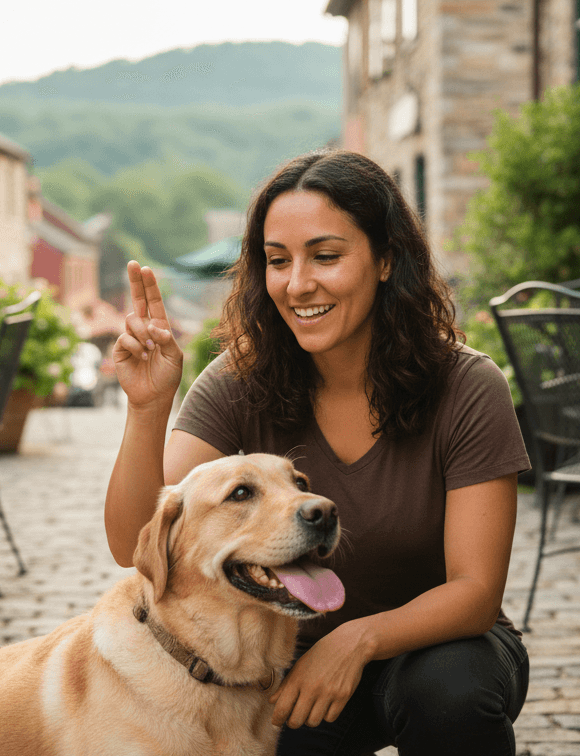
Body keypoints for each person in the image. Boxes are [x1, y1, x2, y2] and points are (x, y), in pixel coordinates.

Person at [105, 149, 530, 755]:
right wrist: (148, 409)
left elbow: (474, 590)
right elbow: (135, 542)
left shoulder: (466, 385)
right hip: (289, 671)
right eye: (278, 261)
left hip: (440, 652)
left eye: (326, 256)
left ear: (386, 260)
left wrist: (354, 639)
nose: (298, 283)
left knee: (449, 694)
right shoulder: (236, 381)